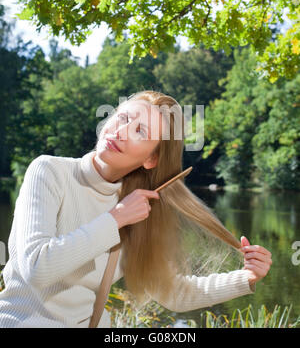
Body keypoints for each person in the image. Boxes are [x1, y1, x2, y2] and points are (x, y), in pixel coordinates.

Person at [0, 90, 272, 328]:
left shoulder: (138, 210)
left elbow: (173, 292)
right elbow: (35, 268)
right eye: (122, 118)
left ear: (151, 159)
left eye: (140, 131)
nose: (120, 131)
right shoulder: (49, 171)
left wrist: (245, 277)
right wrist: (114, 219)